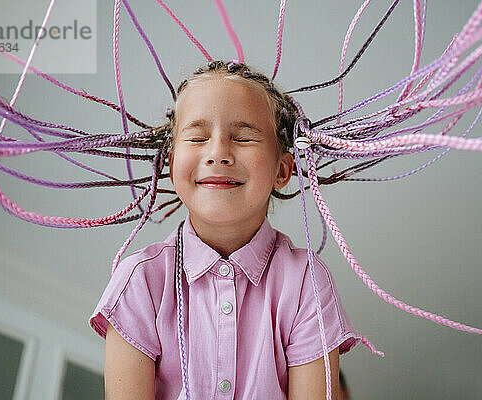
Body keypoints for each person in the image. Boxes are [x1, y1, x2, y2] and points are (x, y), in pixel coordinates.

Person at [90, 61, 360, 399]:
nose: (218, 153)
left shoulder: (307, 282)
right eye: (198, 137)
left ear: (282, 169)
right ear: (171, 165)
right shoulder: (139, 281)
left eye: (244, 137)